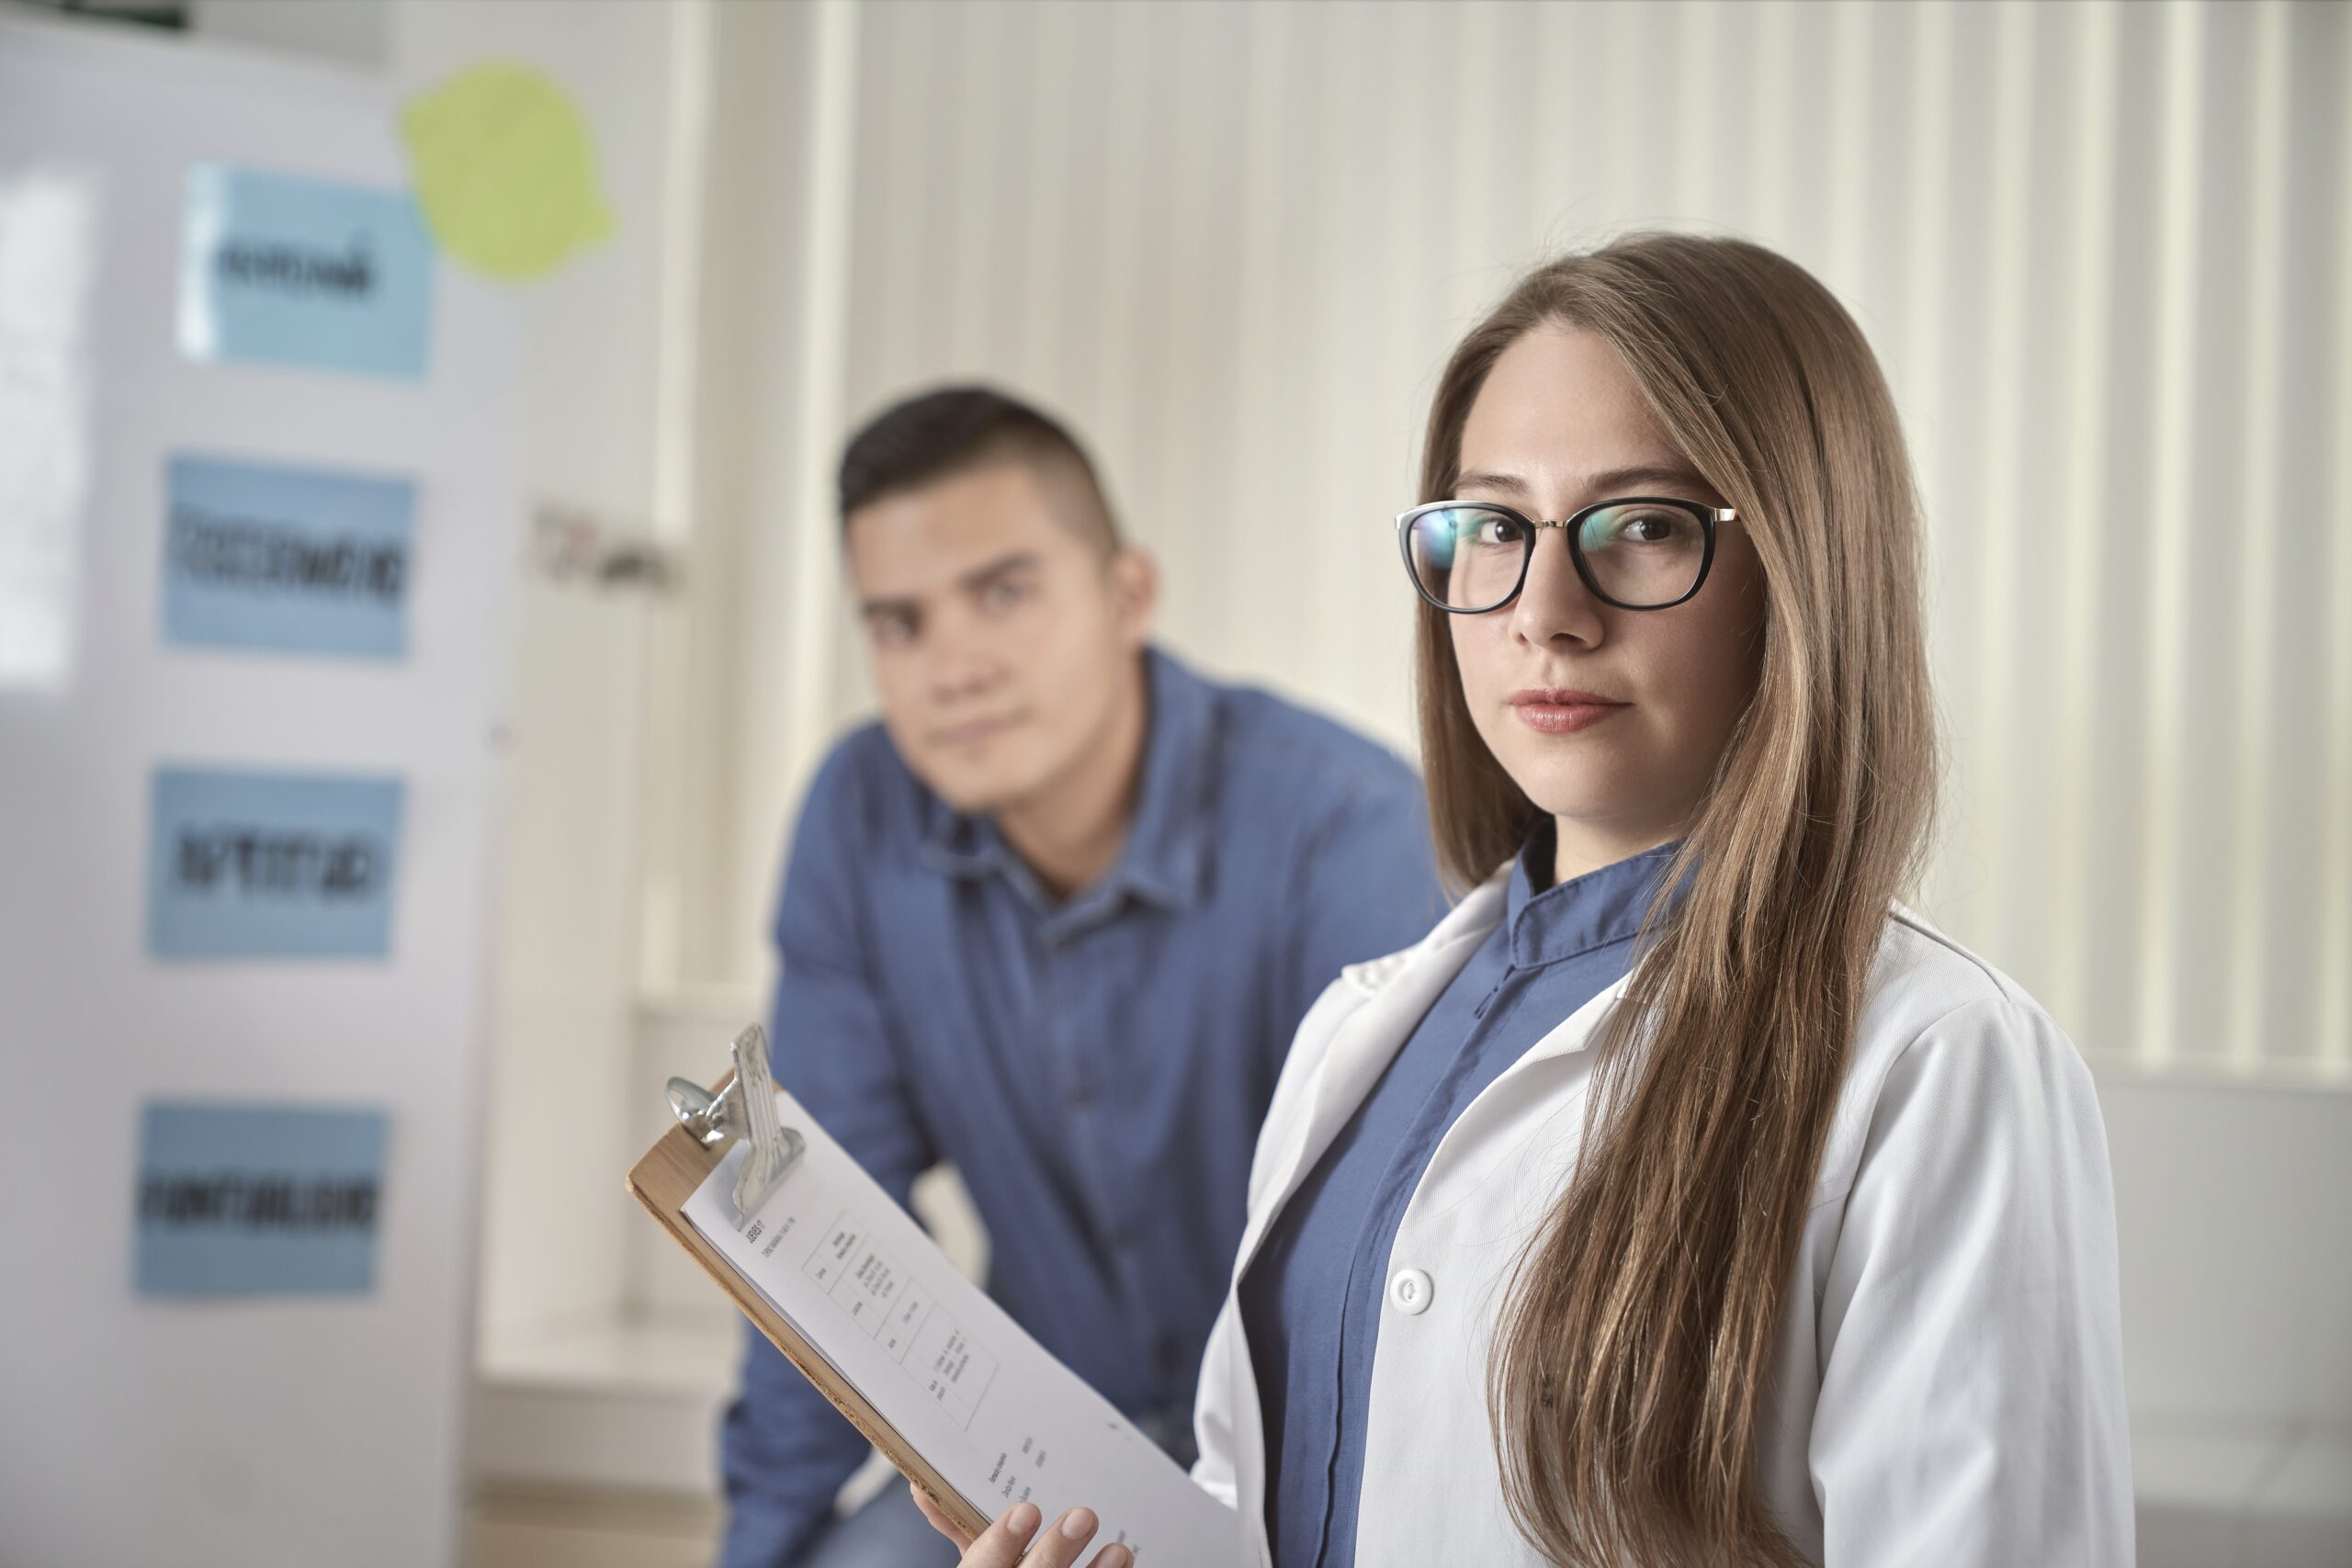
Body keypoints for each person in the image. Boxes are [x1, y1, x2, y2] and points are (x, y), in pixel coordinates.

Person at [914, 235, 2132, 1568]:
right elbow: (1268, 1509)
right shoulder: (1358, 1034)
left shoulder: (1938, 1062)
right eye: (1494, 526)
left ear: (1803, 567)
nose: (1544, 611)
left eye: (1646, 526)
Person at [717, 386, 1445, 1568]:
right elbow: (811, 1232)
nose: (950, 667)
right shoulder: (860, 816)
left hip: (1305, 1467)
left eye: (1002, 593)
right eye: (898, 624)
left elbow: (1406, 1296)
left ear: (1127, 596)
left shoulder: (1347, 834)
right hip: (1021, 1468)